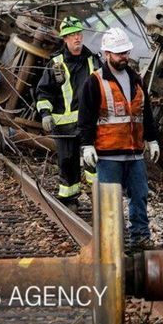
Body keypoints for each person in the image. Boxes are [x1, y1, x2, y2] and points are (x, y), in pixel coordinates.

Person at [77, 27, 160, 249]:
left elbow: (146, 113)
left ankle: (140, 238)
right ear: (107, 54)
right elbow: (85, 117)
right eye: (119, 53)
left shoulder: (136, 80)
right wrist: (86, 146)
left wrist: (152, 139)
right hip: (108, 153)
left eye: (125, 52)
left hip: (134, 153)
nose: (123, 56)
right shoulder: (95, 82)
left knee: (140, 196)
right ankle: (110, 243)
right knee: (109, 202)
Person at [35, 16, 100, 211]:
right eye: (71, 35)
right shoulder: (56, 64)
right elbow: (44, 91)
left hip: (90, 124)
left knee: (95, 162)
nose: (77, 38)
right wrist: (45, 113)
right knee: (67, 163)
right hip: (64, 127)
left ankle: (99, 197)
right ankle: (69, 201)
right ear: (65, 39)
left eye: (79, 34)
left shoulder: (93, 60)